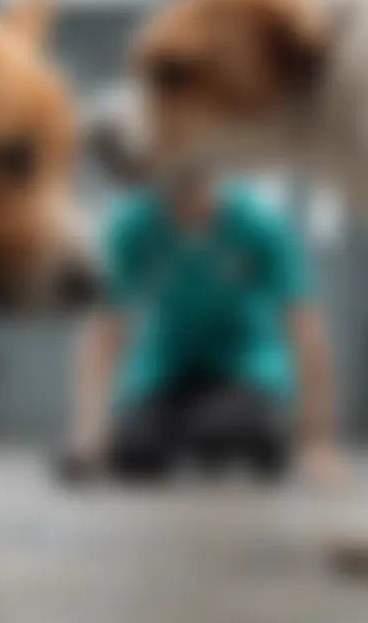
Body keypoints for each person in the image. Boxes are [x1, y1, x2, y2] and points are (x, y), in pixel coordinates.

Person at [61, 171, 345, 484]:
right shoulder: (132, 222)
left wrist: (317, 441)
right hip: (166, 364)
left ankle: (262, 438)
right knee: (132, 452)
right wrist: (89, 435)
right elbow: (104, 328)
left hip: (244, 363)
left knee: (223, 431)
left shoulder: (259, 222)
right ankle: (179, 436)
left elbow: (304, 326)